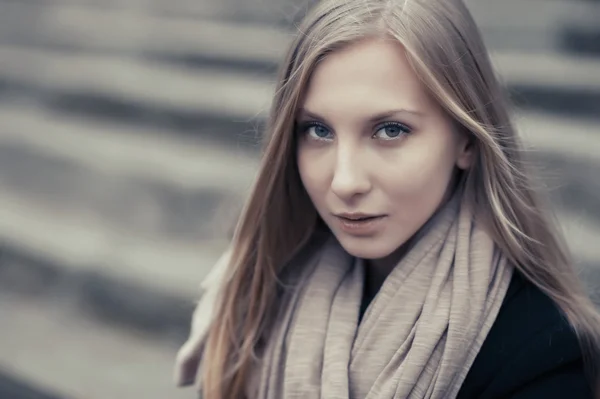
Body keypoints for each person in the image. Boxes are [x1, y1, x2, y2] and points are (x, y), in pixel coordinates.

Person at [174, 0, 600, 397]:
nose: (344, 181)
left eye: (390, 130)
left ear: (466, 141)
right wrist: (246, 286)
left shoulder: (542, 353)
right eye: (318, 130)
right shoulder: (261, 302)